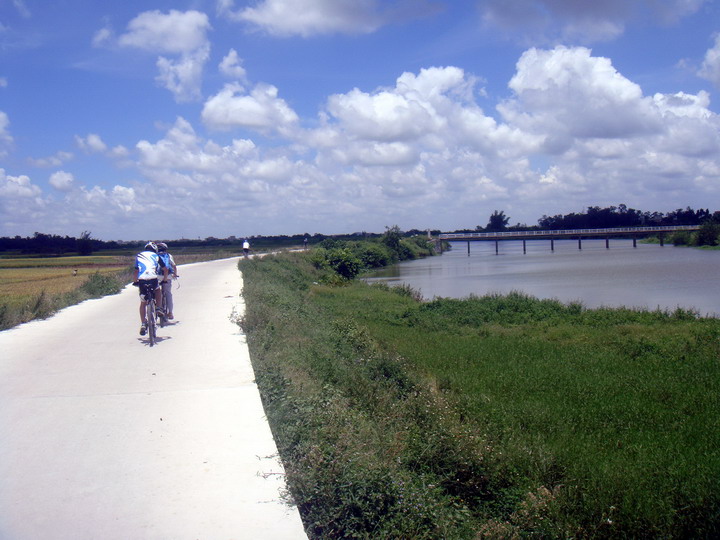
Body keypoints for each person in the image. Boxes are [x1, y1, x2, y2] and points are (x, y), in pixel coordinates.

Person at [133, 241, 168, 336]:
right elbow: (165, 269)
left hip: (142, 280)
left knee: (143, 303)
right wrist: (165, 280)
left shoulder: (139, 256)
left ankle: (143, 324)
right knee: (157, 290)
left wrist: (135, 281)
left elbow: (136, 271)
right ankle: (158, 308)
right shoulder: (156, 256)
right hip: (153, 278)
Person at [156, 242, 178, 320]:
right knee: (168, 293)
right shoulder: (168, 255)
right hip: (168, 276)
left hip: (157, 276)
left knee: (157, 292)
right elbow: (174, 266)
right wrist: (175, 274)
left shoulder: (155, 256)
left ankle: (157, 308)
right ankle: (170, 313)